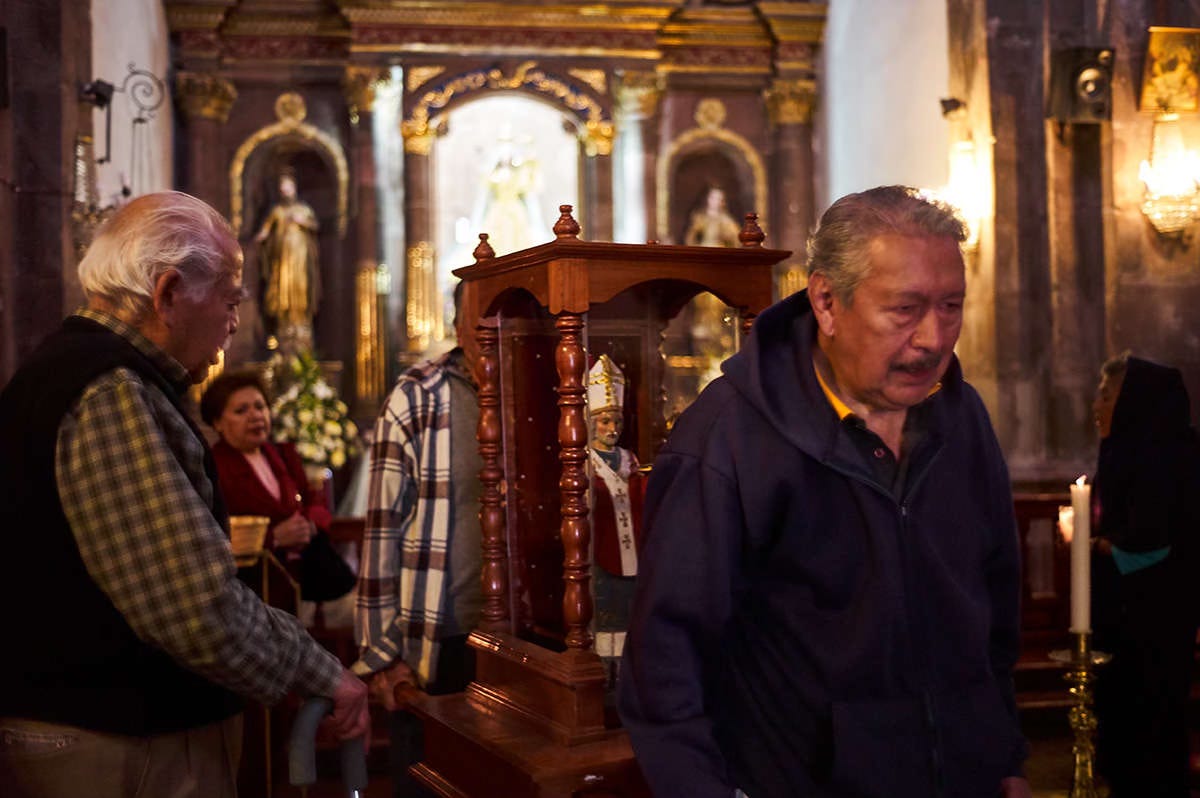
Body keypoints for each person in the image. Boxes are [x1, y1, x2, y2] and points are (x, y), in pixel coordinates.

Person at [619, 185, 1031, 798]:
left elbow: (994, 612)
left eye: (951, 305)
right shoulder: (728, 437)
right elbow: (665, 664)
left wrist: (1006, 759)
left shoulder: (961, 416)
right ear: (827, 302)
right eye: (905, 309)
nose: (934, 338)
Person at [0, 191, 368, 797]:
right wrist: (320, 672)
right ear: (169, 293)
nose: (235, 321)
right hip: (117, 740)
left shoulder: (79, 370)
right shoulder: (108, 389)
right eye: (230, 300)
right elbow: (192, 606)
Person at [353, 281, 483, 797]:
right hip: (439, 641)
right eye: (480, 321)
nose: (492, 333)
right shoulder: (419, 395)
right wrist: (383, 656)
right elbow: (382, 528)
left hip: (524, 647)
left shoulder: (540, 385)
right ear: (457, 326)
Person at [1089, 353, 1200, 798]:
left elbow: (1156, 540)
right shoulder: (1122, 456)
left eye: (1106, 394)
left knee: (1151, 738)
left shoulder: (1171, 460)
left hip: (1155, 624)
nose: (1095, 404)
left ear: (1135, 402)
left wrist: (1099, 546)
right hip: (1122, 621)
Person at [201, 370, 357, 628]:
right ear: (218, 422)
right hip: (259, 592)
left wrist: (308, 524)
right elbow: (215, 533)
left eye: (260, 407)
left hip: (308, 582)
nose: (255, 416)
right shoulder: (215, 469)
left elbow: (317, 503)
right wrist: (273, 538)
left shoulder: (282, 454)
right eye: (241, 411)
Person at [586, 355, 645, 687]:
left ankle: (626, 674)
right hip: (601, 552)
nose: (612, 429)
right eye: (605, 421)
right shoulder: (584, 460)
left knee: (629, 610)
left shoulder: (628, 458)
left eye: (617, 422)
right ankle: (603, 675)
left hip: (632, 551)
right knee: (604, 612)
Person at [255, 167, 321, 336]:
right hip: (282, 258)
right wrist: (261, 237)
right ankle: (284, 324)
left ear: (294, 188)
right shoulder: (277, 211)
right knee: (283, 288)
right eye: (282, 188)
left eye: (288, 187)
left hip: (300, 259)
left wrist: (302, 222)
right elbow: (265, 230)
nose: (285, 191)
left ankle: (301, 322)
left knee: (300, 289)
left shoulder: (303, 210)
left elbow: (315, 226)